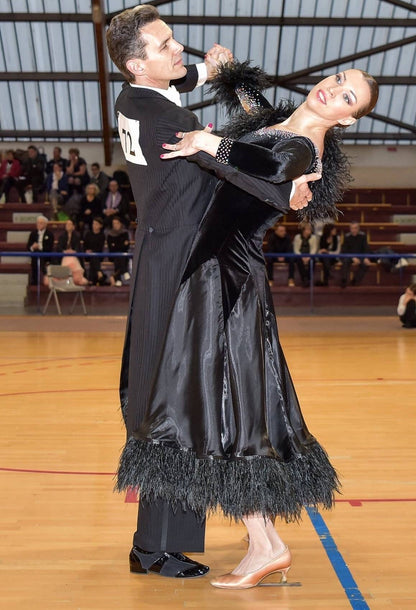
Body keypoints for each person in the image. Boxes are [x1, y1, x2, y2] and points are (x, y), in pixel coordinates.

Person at [122, 55, 378, 589]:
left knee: (222, 405)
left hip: (226, 278)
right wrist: (230, 70)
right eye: (337, 81)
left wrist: (205, 143)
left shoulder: (305, 147)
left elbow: (264, 166)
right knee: (223, 405)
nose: (334, 91)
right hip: (213, 270)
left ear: (349, 120)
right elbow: (252, 109)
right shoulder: (287, 125)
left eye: (348, 97)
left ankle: (267, 542)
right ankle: (263, 541)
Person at [107, 5, 323, 584]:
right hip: (179, 259)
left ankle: (158, 542)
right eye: (165, 45)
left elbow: (180, 82)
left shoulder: (137, 96)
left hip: (171, 251)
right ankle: (156, 545)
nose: (179, 50)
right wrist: (288, 194)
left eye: (174, 39)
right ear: (136, 63)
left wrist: (210, 72)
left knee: (171, 397)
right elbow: (219, 161)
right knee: (170, 398)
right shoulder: (157, 118)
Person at [340, 221, 372, 287]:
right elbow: (344, 250)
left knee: (366, 264)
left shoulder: (363, 236)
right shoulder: (347, 237)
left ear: (358, 228)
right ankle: (344, 280)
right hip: (349, 256)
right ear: (350, 229)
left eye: (355, 228)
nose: (354, 230)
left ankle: (355, 280)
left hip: (360, 256)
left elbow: (366, 248)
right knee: (345, 261)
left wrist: (365, 257)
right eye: (352, 228)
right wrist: (352, 257)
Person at [27, 215, 54, 285]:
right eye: (38, 223)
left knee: (38, 254)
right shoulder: (33, 234)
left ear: (45, 224)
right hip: (35, 255)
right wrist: (32, 247)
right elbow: (28, 247)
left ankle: (42, 275)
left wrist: (40, 247)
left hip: (46, 254)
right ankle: (38, 277)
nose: (39, 224)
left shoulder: (50, 234)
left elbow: (50, 247)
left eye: (41, 223)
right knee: (36, 255)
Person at [107, 216, 131, 286]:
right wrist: (121, 244)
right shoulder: (110, 234)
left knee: (120, 256)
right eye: (114, 223)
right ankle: (125, 271)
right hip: (112, 255)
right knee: (118, 255)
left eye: (117, 223)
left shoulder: (125, 233)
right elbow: (111, 248)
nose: (115, 225)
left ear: (120, 224)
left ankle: (118, 279)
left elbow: (126, 247)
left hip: (123, 255)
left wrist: (116, 245)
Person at [293, 222, 318, 287]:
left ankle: (309, 279)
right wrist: (302, 257)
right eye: (308, 229)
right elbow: (296, 249)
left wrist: (308, 257)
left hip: (310, 255)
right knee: (299, 261)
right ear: (303, 230)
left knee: (312, 261)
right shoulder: (297, 237)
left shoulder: (313, 237)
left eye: (310, 229)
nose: (310, 231)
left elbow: (314, 249)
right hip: (300, 256)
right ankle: (304, 279)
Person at [83, 217, 107, 286]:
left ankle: (91, 280)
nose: (94, 225)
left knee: (94, 257)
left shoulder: (102, 235)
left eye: (96, 224)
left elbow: (100, 248)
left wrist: (92, 251)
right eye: (93, 224)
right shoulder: (88, 234)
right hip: (87, 255)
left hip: (98, 255)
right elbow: (85, 245)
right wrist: (87, 251)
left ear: (100, 226)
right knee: (93, 257)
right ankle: (99, 272)